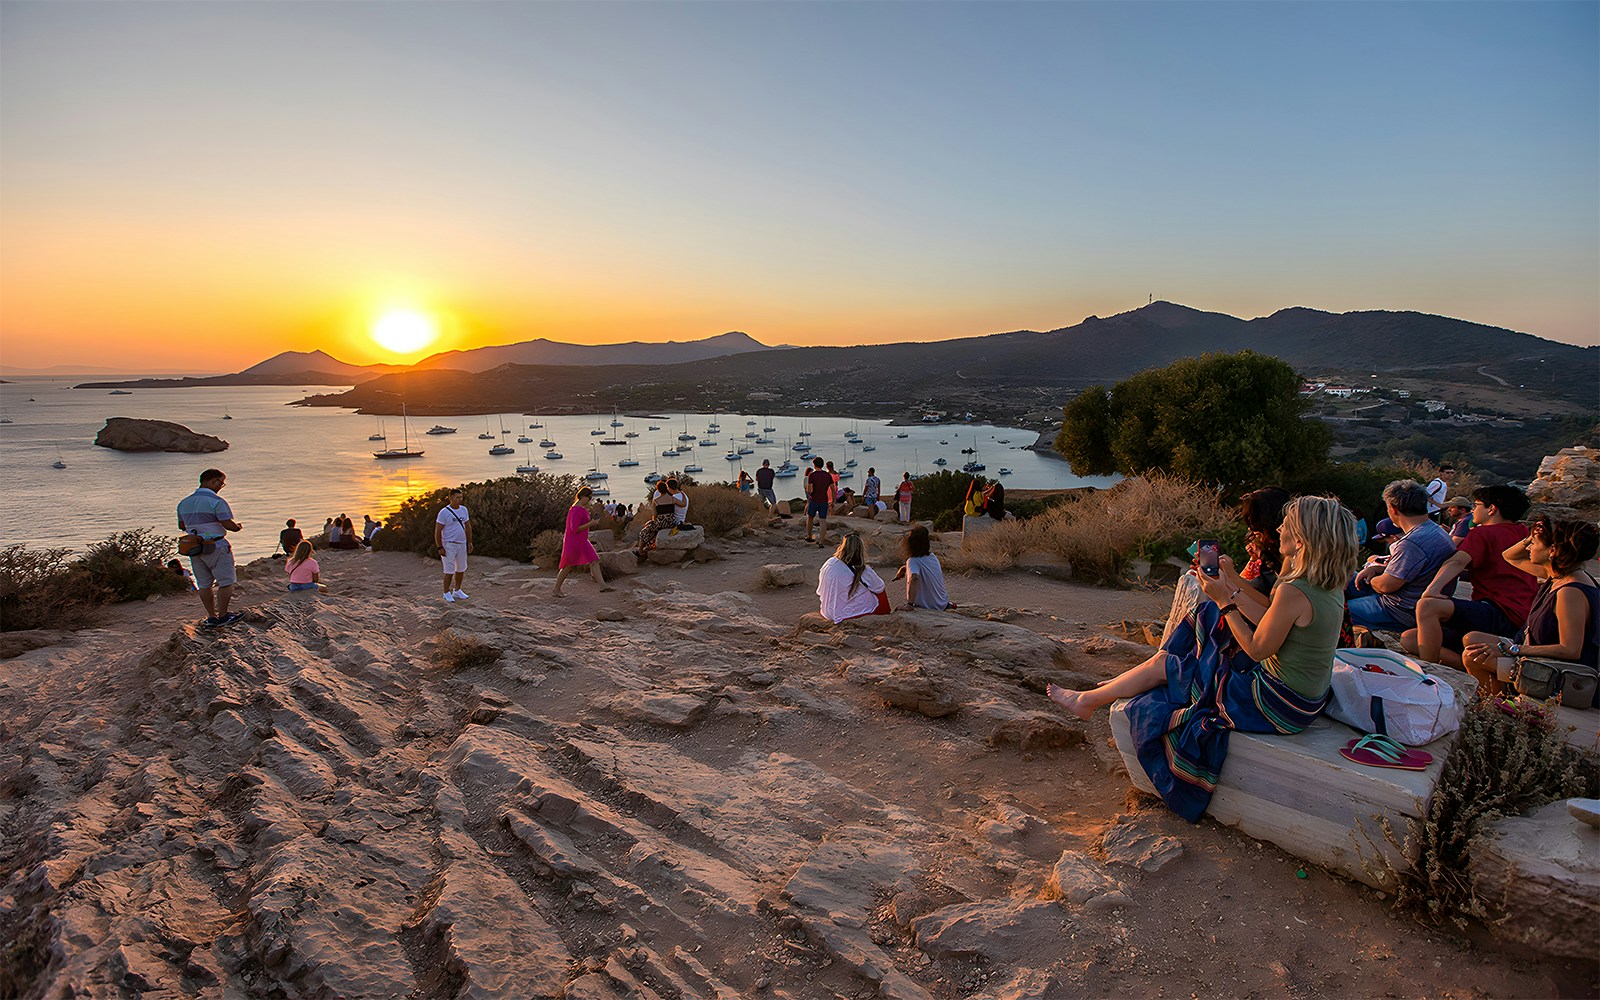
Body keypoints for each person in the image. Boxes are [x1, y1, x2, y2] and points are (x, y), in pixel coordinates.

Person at [1048, 496, 1357, 822]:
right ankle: (1138, 678)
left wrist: (1225, 601)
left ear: (1301, 540)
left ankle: (1089, 700)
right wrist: (1230, 582)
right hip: (1306, 700)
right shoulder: (1323, 583)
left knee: (1171, 660)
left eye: (1287, 525)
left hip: (1274, 703)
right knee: (1208, 618)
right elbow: (1268, 615)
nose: (1278, 528)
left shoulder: (1294, 590)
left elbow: (1256, 648)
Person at [1461, 517, 1600, 695]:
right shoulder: (1557, 574)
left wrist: (1512, 649)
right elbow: (1509, 556)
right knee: (1472, 639)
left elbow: (1570, 650)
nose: (1528, 547)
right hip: (1540, 656)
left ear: (1552, 550)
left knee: (1472, 657)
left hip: (1562, 673)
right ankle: (1505, 691)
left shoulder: (1570, 592)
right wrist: (1535, 533)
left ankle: (1499, 706)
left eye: (1533, 543)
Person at [1403, 485, 1536, 667]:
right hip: (1520, 618)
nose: (1473, 509)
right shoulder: (1522, 532)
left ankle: (1430, 671)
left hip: (1501, 611)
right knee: (1410, 638)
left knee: (1427, 607)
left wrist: (1430, 591)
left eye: (1477, 504)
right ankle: (1469, 665)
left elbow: (1457, 561)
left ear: (1492, 508)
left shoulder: (1483, 533)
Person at [1345, 480, 1455, 632]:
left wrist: (1372, 579)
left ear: (1393, 509)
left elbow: (1386, 586)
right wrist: (1378, 569)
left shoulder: (1412, 542)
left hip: (1398, 610)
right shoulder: (1436, 531)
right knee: (1346, 576)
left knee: (1335, 611)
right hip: (1413, 600)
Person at [176, 468, 244, 627]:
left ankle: (211, 616)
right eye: (221, 482)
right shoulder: (217, 502)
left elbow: (181, 525)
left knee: (204, 584)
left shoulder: (183, 503)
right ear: (214, 481)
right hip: (216, 545)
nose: (221, 486)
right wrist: (237, 527)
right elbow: (228, 524)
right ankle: (224, 615)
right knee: (226, 582)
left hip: (195, 548)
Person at [553, 486, 615, 597]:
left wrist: (592, 522)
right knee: (568, 565)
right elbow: (574, 529)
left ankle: (603, 586)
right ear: (582, 496)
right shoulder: (576, 510)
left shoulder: (580, 509)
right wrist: (591, 524)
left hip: (583, 540)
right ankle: (556, 589)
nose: (590, 499)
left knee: (594, 560)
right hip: (575, 541)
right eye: (589, 497)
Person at [817, 532, 890, 622]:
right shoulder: (862, 569)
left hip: (826, 611)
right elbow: (879, 587)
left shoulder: (830, 562)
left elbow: (820, 590)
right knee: (878, 592)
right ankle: (886, 615)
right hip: (842, 613)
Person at [895, 524, 952, 610]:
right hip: (942, 603)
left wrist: (910, 604)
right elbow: (924, 567)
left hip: (929, 607)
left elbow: (915, 578)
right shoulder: (933, 557)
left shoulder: (912, 561)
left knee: (897, 609)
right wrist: (905, 568)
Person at [434, 488, 473, 603]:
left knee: (461, 568)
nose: (460, 500)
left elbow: (468, 525)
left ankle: (457, 590)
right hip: (449, 545)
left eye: (461, 497)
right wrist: (440, 547)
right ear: (450, 498)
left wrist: (469, 541)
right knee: (449, 570)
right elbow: (437, 531)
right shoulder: (444, 512)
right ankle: (446, 592)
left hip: (461, 543)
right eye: (457, 497)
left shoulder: (464, 510)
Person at [635, 480, 682, 555]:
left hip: (661, 524)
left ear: (658, 490)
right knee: (651, 527)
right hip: (671, 523)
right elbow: (682, 504)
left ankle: (641, 550)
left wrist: (653, 521)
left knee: (644, 531)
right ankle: (650, 546)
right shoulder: (672, 498)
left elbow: (655, 515)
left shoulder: (656, 501)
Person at [805, 457, 833, 546]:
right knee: (822, 521)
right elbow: (832, 489)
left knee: (810, 518)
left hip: (814, 500)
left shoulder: (812, 475)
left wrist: (809, 492)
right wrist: (833, 500)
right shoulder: (827, 475)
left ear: (814, 465)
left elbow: (809, 490)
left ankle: (809, 536)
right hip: (824, 500)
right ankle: (821, 541)